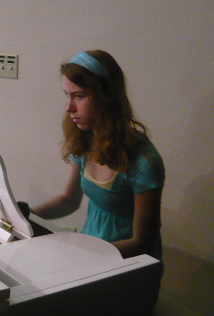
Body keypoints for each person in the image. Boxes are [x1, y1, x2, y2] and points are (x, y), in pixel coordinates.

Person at [31, 50, 165, 261]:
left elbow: (143, 243)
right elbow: (69, 200)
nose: (69, 108)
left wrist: (85, 255)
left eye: (79, 96)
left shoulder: (145, 162)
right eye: (67, 96)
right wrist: (26, 215)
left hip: (124, 263)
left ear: (107, 96)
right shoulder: (87, 142)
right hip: (91, 251)